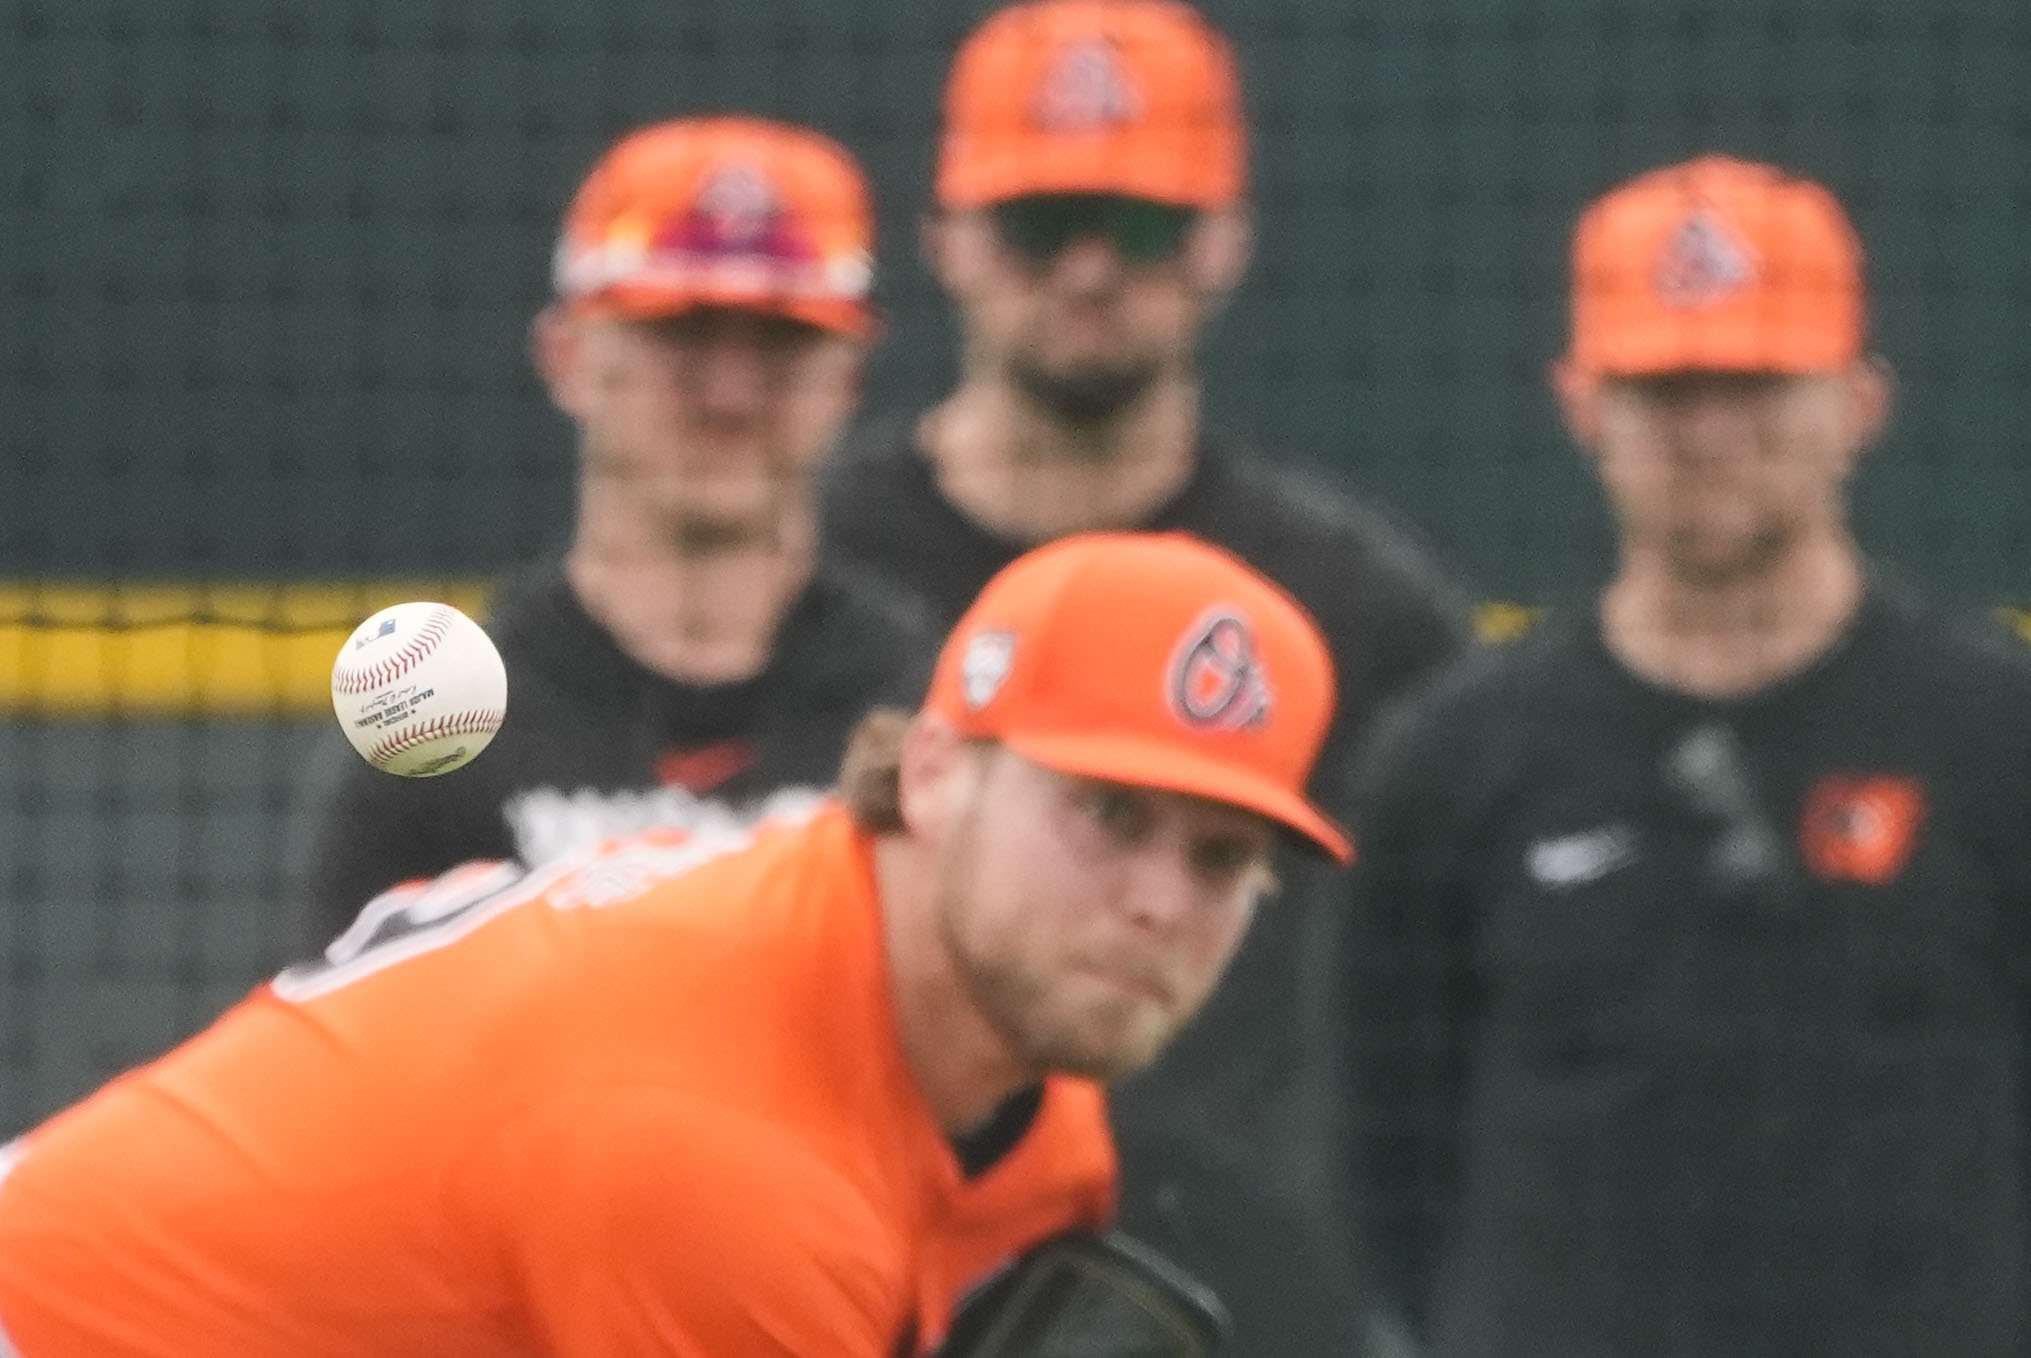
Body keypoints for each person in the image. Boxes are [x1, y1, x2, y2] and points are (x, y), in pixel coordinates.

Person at [0, 530, 1350, 1358]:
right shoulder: (723, 1150)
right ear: (936, 773)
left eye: (1222, 856)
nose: (1160, 898)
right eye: (1107, 813)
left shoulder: (1005, 1099)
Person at [818, 2, 1469, 1350]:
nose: (1090, 270)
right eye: (1039, 224)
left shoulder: (1354, 614)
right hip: (858, 1273)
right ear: (945, 241)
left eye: (1143, 225)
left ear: (1222, 242)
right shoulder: (816, 576)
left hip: (1236, 1298)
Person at [1344, 153, 2031, 1357]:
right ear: (1579, 401)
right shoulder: (1452, 761)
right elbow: (1388, 1167)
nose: (1710, 430)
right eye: (1665, 386)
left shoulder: (1995, 741)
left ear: (1861, 402)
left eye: (1756, 382)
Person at [295, 116, 934, 952]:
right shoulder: (438, 729)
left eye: (782, 338)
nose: (730, 394)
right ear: (564, 357)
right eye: (682, 334)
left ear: (847, 378)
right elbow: (350, 1062)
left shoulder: (925, 713)